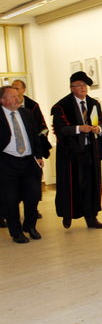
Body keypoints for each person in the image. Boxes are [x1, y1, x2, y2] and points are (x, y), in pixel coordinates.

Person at [51, 71, 102, 229]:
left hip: (91, 151)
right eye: (79, 85)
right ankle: (68, 214)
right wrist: (79, 128)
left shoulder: (93, 104)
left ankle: (91, 217)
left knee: (91, 184)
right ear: (72, 88)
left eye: (85, 85)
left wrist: (99, 129)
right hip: (71, 153)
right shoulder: (61, 106)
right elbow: (60, 129)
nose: (83, 88)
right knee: (72, 184)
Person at [0, 86, 43, 243]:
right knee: (10, 199)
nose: (17, 99)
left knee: (33, 195)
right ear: (2, 100)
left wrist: (38, 156)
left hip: (28, 161)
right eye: (12, 96)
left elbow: (35, 136)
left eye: (18, 95)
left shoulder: (26, 114)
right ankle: (16, 232)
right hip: (6, 162)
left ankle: (30, 226)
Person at [11, 79, 52, 219]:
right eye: (12, 88)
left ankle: (32, 210)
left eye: (17, 88)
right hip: (11, 156)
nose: (15, 91)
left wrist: (39, 152)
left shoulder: (32, 107)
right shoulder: (6, 109)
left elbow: (41, 128)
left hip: (30, 152)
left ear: (24, 90)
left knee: (32, 186)